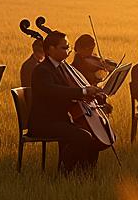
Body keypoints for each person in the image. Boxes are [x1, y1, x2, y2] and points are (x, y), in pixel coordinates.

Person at [27, 29, 111, 174]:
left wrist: (93, 94)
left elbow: (70, 92)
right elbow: (53, 91)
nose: (69, 50)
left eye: (69, 47)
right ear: (51, 49)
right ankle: (64, 173)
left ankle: (86, 172)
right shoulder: (42, 70)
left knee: (93, 133)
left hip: (61, 119)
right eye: (64, 47)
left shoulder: (63, 68)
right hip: (45, 122)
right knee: (83, 136)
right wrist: (83, 91)